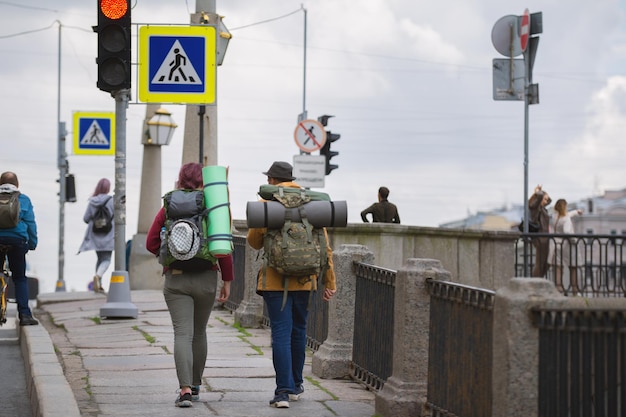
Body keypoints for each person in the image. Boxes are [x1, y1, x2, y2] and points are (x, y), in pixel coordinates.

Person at [247, 161, 337, 409]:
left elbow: (254, 242)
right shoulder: (313, 204)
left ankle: (283, 391)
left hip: (274, 281)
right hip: (306, 280)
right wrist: (329, 281)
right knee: (299, 332)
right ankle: (296, 386)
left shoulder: (269, 204)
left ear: (273, 181)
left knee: (280, 334)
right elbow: (325, 247)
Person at [146, 162, 233, 408]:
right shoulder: (213, 205)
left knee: (182, 333)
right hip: (206, 277)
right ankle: (195, 386)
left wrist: (170, 255)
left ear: (180, 179)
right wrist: (227, 280)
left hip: (176, 278)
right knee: (199, 332)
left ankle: (184, 390)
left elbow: (151, 242)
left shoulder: (169, 205)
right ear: (203, 180)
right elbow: (224, 247)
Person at [0, 172, 38, 326]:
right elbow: (31, 225)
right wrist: (32, 243)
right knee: (20, 278)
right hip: (17, 241)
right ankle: (25, 315)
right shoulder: (23, 200)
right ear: (17, 185)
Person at [78, 178, 114, 293]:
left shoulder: (92, 201)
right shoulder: (112, 201)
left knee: (100, 259)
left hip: (95, 236)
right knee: (107, 259)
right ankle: (98, 276)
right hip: (109, 235)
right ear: (108, 188)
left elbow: (85, 219)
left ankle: (99, 284)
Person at [549, 199, 583, 295]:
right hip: (567, 246)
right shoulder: (566, 219)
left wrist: (576, 212)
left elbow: (567, 215)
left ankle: (559, 289)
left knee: (558, 267)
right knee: (573, 267)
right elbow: (567, 231)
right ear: (565, 207)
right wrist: (574, 240)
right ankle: (575, 290)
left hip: (557, 244)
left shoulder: (554, 217)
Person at [528, 184, 552, 277]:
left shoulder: (542, 208)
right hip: (540, 238)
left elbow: (550, 200)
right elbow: (538, 200)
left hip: (545, 238)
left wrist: (542, 194)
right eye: (544, 199)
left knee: (545, 262)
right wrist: (538, 193)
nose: (546, 201)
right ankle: (536, 281)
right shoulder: (535, 207)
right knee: (540, 263)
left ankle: (539, 279)